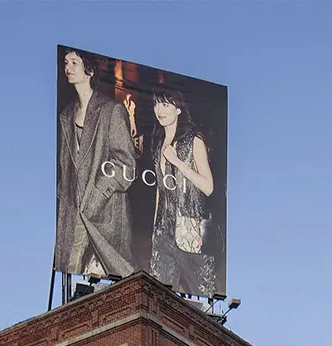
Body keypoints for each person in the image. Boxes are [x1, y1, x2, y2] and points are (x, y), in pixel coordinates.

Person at [54, 49, 136, 278]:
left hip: (103, 214)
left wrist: (95, 196)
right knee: (70, 277)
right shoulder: (66, 116)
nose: (67, 67)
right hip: (73, 214)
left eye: (74, 62)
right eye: (65, 62)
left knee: (118, 286)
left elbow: (126, 164)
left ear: (89, 69)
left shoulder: (111, 110)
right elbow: (66, 169)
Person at [148, 89, 218, 296]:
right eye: (156, 104)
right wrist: (155, 227)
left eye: (166, 105)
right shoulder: (157, 142)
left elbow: (208, 186)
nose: (159, 110)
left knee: (206, 297)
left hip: (191, 230)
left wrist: (177, 162)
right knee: (158, 297)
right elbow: (160, 190)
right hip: (164, 230)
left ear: (178, 109)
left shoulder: (194, 140)